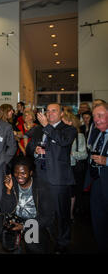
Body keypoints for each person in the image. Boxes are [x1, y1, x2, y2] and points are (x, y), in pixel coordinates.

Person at [33, 103, 77, 253]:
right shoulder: (40, 129)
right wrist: (36, 151)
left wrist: (47, 126)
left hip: (58, 179)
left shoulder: (69, 129)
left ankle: (63, 242)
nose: (50, 113)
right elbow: (30, 147)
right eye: (48, 111)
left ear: (61, 114)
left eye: (54, 111)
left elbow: (63, 142)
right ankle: (50, 238)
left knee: (62, 214)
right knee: (46, 211)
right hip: (42, 177)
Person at [0, 156, 53, 253]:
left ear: (30, 173)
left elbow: (47, 217)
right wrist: (8, 190)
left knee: (32, 245)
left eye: (23, 173)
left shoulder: (41, 187)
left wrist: (24, 226)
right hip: (15, 218)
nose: (19, 176)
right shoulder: (11, 182)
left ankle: (24, 238)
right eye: (16, 172)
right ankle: (15, 245)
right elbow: (4, 210)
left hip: (34, 221)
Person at [85, 103, 108, 252]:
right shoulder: (96, 133)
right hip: (97, 182)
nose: (96, 120)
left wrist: (106, 161)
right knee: (98, 220)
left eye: (100, 115)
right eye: (94, 116)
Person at [61, 111, 88, 221]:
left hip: (73, 168)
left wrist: (72, 154)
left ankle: (70, 214)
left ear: (70, 122)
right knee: (61, 192)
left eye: (63, 122)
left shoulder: (79, 136)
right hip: (61, 167)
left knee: (71, 193)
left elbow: (84, 154)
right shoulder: (59, 134)